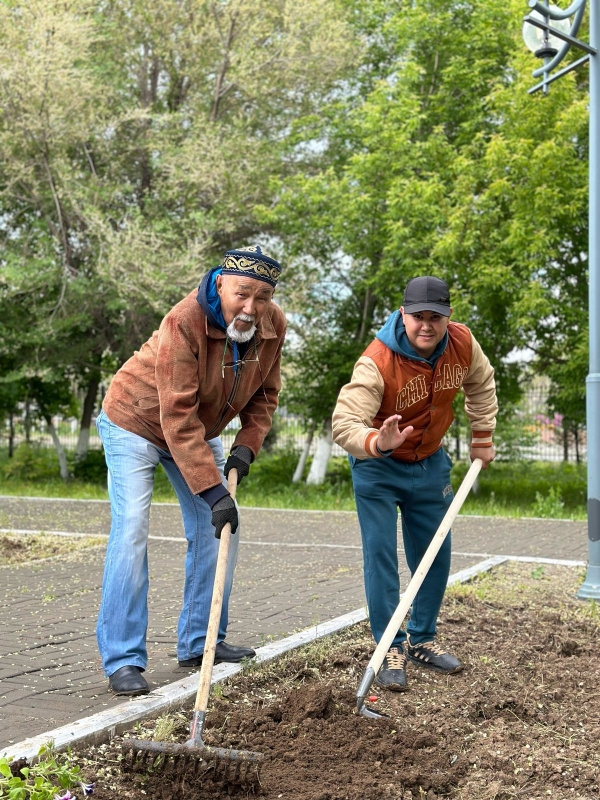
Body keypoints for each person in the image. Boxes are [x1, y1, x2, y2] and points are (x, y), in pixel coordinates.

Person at [95, 245, 286, 696]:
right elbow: (175, 414)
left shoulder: (271, 325)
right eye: (242, 294)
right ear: (220, 282)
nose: (250, 307)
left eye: (261, 298)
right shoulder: (184, 320)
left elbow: (265, 397)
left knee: (221, 529)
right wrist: (213, 489)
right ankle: (122, 659)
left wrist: (245, 449)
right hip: (137, 421)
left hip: (198, 430)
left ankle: (201, 642)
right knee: (132, 529)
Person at [332, 276, 497, 692]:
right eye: (418, 316)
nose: (426, 325)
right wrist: (377, 441)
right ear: (403, 314)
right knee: (382, 556)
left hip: (430, 464)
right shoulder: (377, 361)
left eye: (435, 317)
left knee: (435, 554)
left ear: (448, 317)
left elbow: (481, 383)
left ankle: (423, 640)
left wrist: (482, 436)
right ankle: (389, 645)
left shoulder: (461, 343)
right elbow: (343, 423)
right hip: (378, 468)